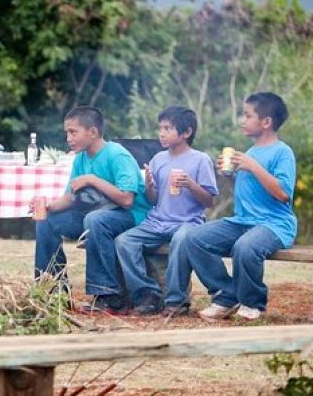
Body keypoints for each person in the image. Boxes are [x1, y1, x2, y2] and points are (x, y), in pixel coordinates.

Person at [181, 92, 296, 321]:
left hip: (274, 225)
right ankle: (226, 295)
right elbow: (252, 190)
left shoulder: (282, 152)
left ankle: (252, 303)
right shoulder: (251, 153)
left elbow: (282, 194)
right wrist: (228, 173)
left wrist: (253, 167)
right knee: (193, 239)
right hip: (242, 221)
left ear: (266, 122)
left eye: (247, 115)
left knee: (245, 247)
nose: (242, 120)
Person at [34, 106, 151, 314]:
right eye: (66, 132)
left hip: (131, 216)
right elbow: (70, 197)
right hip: (98, 215)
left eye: (73, 132)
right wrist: (47, 207)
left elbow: (126, 199)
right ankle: (53, 289)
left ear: (93, 132)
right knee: (46, 220)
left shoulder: (117, 155)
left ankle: (108, 296)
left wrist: (92, 179)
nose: (68, 138)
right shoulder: (80, 157)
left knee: (96, 220)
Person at [114, 106, 218, 316]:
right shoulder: (158, 159)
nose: (161, 133)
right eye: (160, 128)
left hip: (188, 221)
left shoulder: (200, 160)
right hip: (158, 221)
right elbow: (154, 200)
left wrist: (191, 184)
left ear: (186, 132)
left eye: (168, 128)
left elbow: (209, 201)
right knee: (124, 241)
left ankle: (176, 300)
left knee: (181, 240)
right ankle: (147, 294)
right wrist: (150, 186)